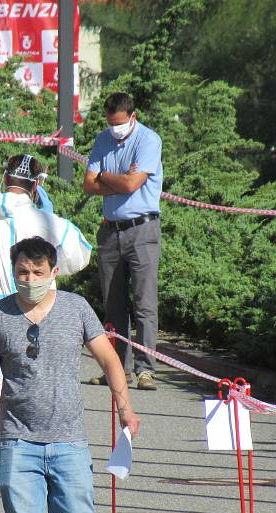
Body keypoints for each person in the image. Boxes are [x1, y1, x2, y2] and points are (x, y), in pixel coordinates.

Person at [0, 237, 141, 513]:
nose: (29, 279)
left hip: (69, 441)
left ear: (54, 272)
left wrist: (124, 406)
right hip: (16, 441)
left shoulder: (75, 308)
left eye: (37, 271)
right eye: (22, 272)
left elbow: (110, 360)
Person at [0, 154, 92, 510]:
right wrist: (51, 220)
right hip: (39, 313)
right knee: (33, 391)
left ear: (3, 177)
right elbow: (80, 254)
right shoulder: (45, 221)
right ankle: (32, 468)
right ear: (36, 185)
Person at [83, 91, 164, 391]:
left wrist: (105, 176)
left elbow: (133, 184)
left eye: (119, 124)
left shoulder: (148, 140)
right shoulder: (103, 140)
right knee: (113, 305)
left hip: (142, 229)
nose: (115, 130)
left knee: (144, 302)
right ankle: (118, 369)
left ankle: (146, 370)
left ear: (133, 117)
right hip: (110, 229)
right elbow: (88, 185)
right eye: (110, 123)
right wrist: (113, 179)